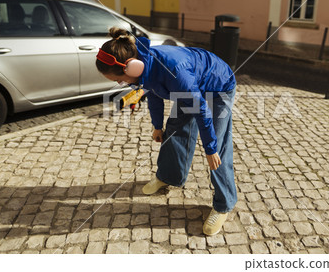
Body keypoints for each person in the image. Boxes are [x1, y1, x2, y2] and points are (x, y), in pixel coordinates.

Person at [96, 27, 237, 235]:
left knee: (218, 150)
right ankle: (169, 177)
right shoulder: (145, 68)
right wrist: (156, 126)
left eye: (119, 79)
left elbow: (201, 110)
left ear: (131, 68)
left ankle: (223, 205)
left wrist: (210, 148)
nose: (120, 84)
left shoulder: (174, 72)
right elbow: (153, 93)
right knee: (174, 131)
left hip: (218, 87)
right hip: (192, 86)